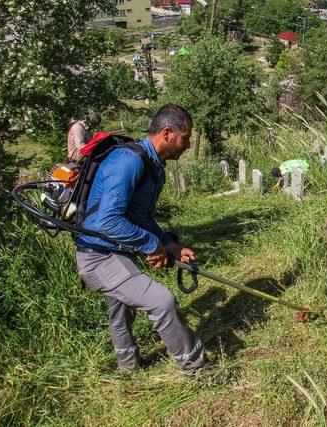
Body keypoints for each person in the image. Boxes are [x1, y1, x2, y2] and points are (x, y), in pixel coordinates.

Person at [75, 104, 208, 374]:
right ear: (168, 133)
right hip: (97, 256)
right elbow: (108, 221)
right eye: (186, 138)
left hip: (116, 252)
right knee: (162, 301)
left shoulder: (154, 166)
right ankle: (195, 367)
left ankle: (129, 368)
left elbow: (140, 216)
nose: (188, 144)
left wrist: (168, 243)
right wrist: (151, 245)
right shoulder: (129, 161)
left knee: (121, 309)